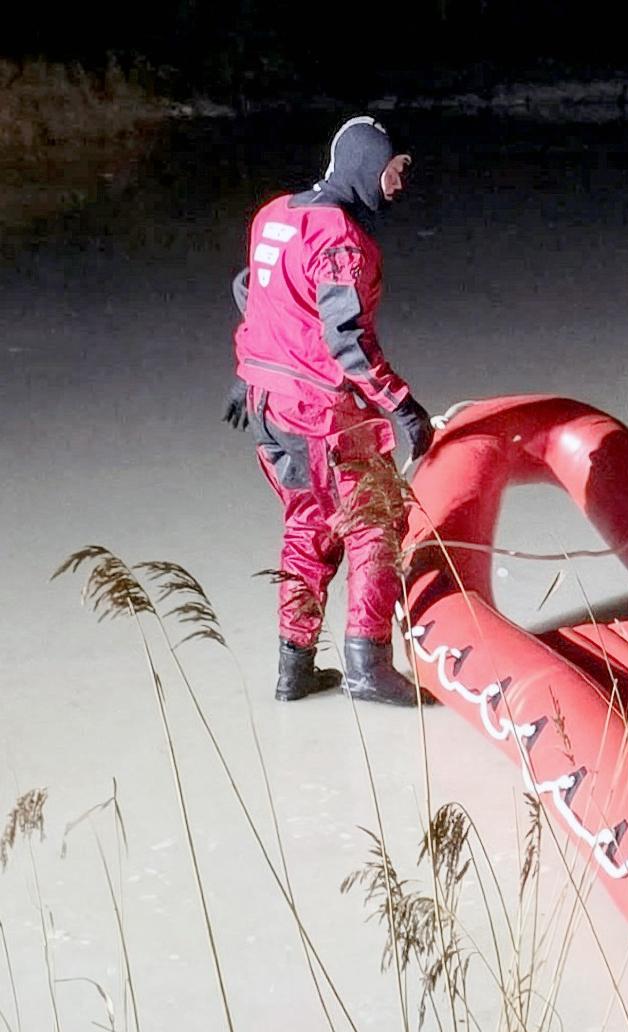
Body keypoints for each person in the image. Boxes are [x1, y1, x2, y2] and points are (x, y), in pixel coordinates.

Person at [223, 115, 434, 705]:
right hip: (317, 411)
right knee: (376, 521)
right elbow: (349, 342)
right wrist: (403, 406)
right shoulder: (341, 239)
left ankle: (293, 670)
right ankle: (368, 665)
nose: (400, 184)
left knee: (308, 526)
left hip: (268, 406)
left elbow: (252, 291)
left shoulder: (275, 214)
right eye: (396, 170)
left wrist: (247, 371)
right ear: (368, 165)